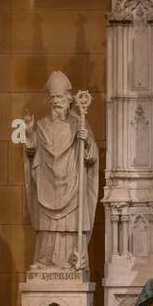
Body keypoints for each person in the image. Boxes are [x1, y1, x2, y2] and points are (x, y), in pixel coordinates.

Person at [24, 70, 100, 272]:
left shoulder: (79, 124)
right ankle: (45, 260)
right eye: (53, 97)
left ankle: (72, 260)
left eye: (60, 97)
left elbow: (91, 157)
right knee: (48, 227)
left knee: (70, 226)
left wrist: (87, 140)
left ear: (68, 99)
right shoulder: (41, 126)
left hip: (72, 186)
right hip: (48, 185)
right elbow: (32, 154)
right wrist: (29, 133)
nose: (56, 101)